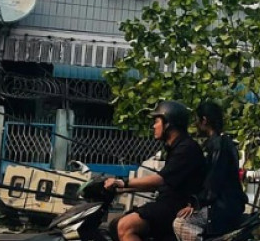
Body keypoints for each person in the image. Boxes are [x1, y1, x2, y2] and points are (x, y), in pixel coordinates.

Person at [106, 101, 206, 241]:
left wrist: (122, 182)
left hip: (177, 207)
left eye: (156, 121)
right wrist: (120, 189)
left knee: (125, 226)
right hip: (167, 204)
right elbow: (160, 184)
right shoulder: (175, 148)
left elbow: (160, 180)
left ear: (168, 123)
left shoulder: (186, 149)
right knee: (115, 225)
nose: (153, 126)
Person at [173, 101, 248, 241]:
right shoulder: (222, 142)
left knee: (181, 223)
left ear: (204, 120)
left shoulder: (218, 145)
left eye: (197, 120)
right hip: (227, 205)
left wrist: (195, 203)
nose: (195, 124)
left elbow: (213, 182)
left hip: (221, 208)